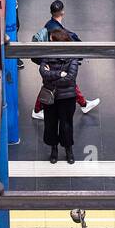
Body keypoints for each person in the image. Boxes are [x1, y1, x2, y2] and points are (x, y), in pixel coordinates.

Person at [39, 30, 81, 165]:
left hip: (66, 97)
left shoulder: (72, 57)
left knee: (66, 125)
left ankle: (68, 149)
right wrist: (59, 74)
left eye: (52, 40)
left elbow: (70, 78)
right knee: (50, 124)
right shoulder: (47, 54)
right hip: (56, 95)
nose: (50, 43)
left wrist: (52, 77)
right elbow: (43, 72)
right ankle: (54, 148)